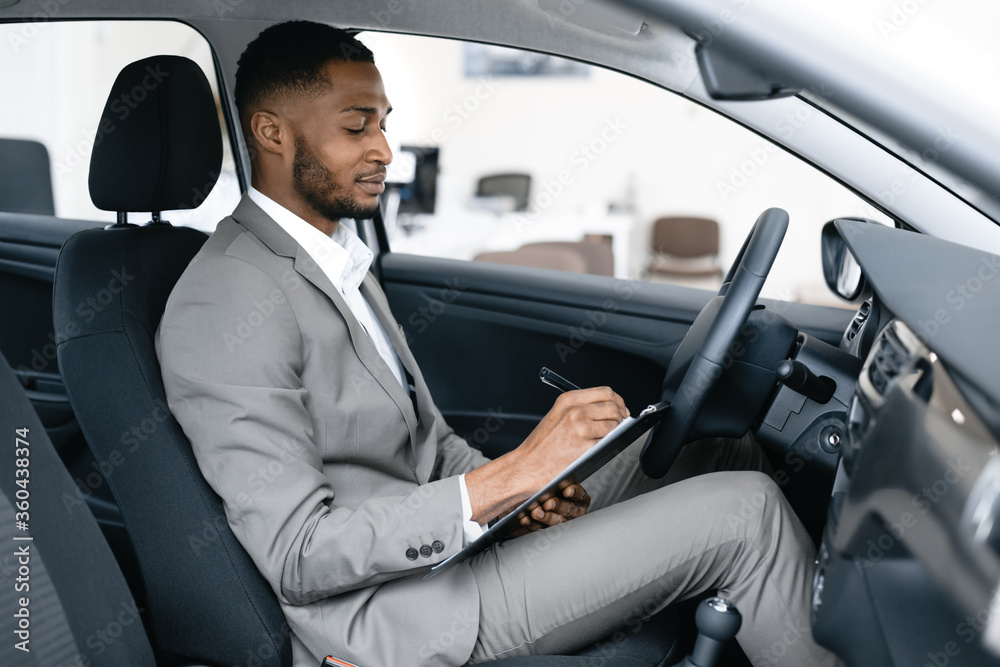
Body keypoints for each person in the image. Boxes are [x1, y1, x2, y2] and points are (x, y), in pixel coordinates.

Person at [156, 20, 842, 667]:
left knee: (716, 447)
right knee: (747, 513)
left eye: (384, 124)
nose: (385, 151)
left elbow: (428, 445)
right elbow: (300, 553)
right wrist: (507, 481)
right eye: (356, 126)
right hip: (402, 613)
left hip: (452, 554)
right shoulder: (227, 298)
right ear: (272, 133)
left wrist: (518, 502)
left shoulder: (334, 260)